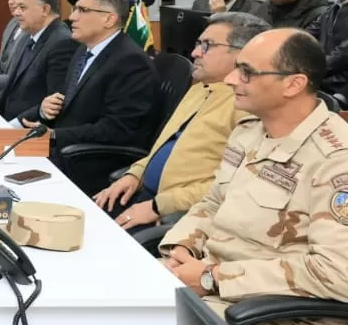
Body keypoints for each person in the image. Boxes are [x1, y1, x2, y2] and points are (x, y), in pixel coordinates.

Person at [159, 29, 348, 325]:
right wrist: (182, 248)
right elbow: (213, 202)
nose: (231, 79)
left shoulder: (341, 161)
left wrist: (214, 278)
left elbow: (341, 275)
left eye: (247, 72)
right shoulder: (249, 131)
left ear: (293, 84)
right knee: (105, 308)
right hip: (212, 287)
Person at [94, 12, 268, 231]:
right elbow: (164, 146)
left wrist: (159, 206)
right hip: (145, 194)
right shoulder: (200, 88)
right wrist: (135, 174)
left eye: (207, 45)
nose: (195, 53)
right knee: (78, 221)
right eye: (198, 44)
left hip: (177, 214)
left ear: (243, 54)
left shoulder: (247, 107)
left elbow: (232, 185)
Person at [28, 0, 162, 192]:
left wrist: (55, 134)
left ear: (109, 19)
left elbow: (117, 129)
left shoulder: (131, 62)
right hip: (62, 149)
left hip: (92, 161)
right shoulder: (84, 50)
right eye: (75, 9)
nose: (72, 17)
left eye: (82, 10)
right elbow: (72, 101)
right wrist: (48, 107)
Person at [0, 0, 77, 125]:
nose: (16, 13)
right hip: (6, 124)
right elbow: (8, 91)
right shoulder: (27, 35)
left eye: (22, 7)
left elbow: (54, 103)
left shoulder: (63, 43)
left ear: (45, 9)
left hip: (29, 128)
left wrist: (13, 125)